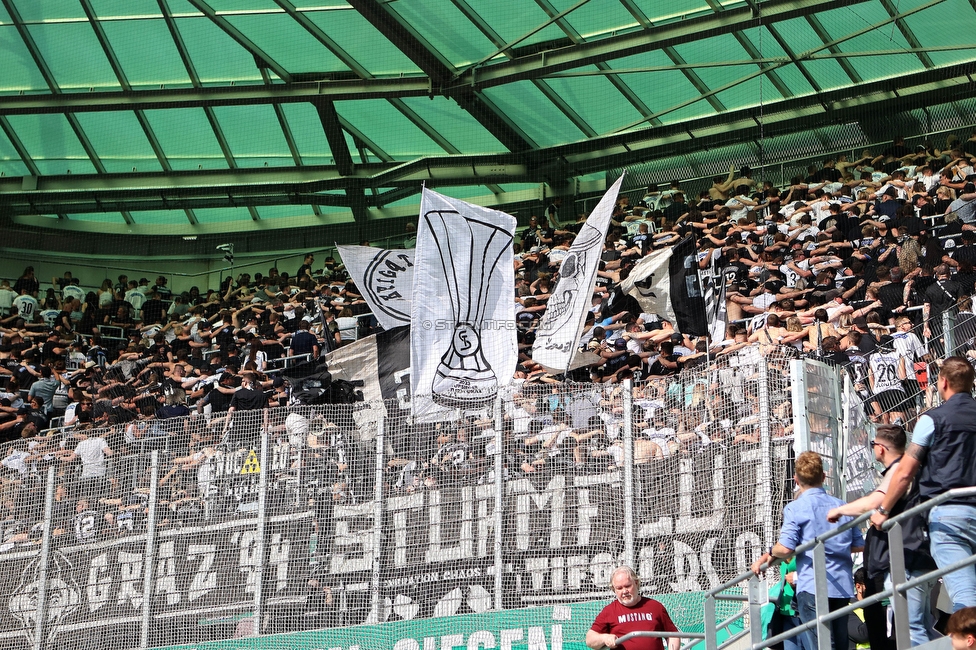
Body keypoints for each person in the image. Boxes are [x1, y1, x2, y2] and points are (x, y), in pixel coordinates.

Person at [871, 356, 976, 612]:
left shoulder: (932, 420)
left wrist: (883, 510)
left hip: (948, 513)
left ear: (943, 382)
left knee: (965, 592)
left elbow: (905, 472)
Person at [827, 424, 937, 648]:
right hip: (918, 556)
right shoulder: (907, 469)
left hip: (908, 559)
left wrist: (840, 510)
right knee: (922, 625)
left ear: (881, 448)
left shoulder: (900, 470)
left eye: (873, 445)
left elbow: (873, 501)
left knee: (912, 628)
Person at [752, 451, 864, 650]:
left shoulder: (795, 508)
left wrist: (771, 553)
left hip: (812, 586)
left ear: (796, 479)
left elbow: (785, 547)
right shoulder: (843, 506)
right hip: (841, 585)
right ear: (823, 477)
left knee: (819, 645)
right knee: (840, 644)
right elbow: (858, 544)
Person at [587, 566, 680, 650]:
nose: (624, 591)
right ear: (614, 589)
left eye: (627, 586)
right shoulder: (609, 611)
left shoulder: (655, 606)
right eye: (619, 588)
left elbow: (673, 635)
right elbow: (590, 639)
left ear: (636, 583)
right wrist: (605, 638)